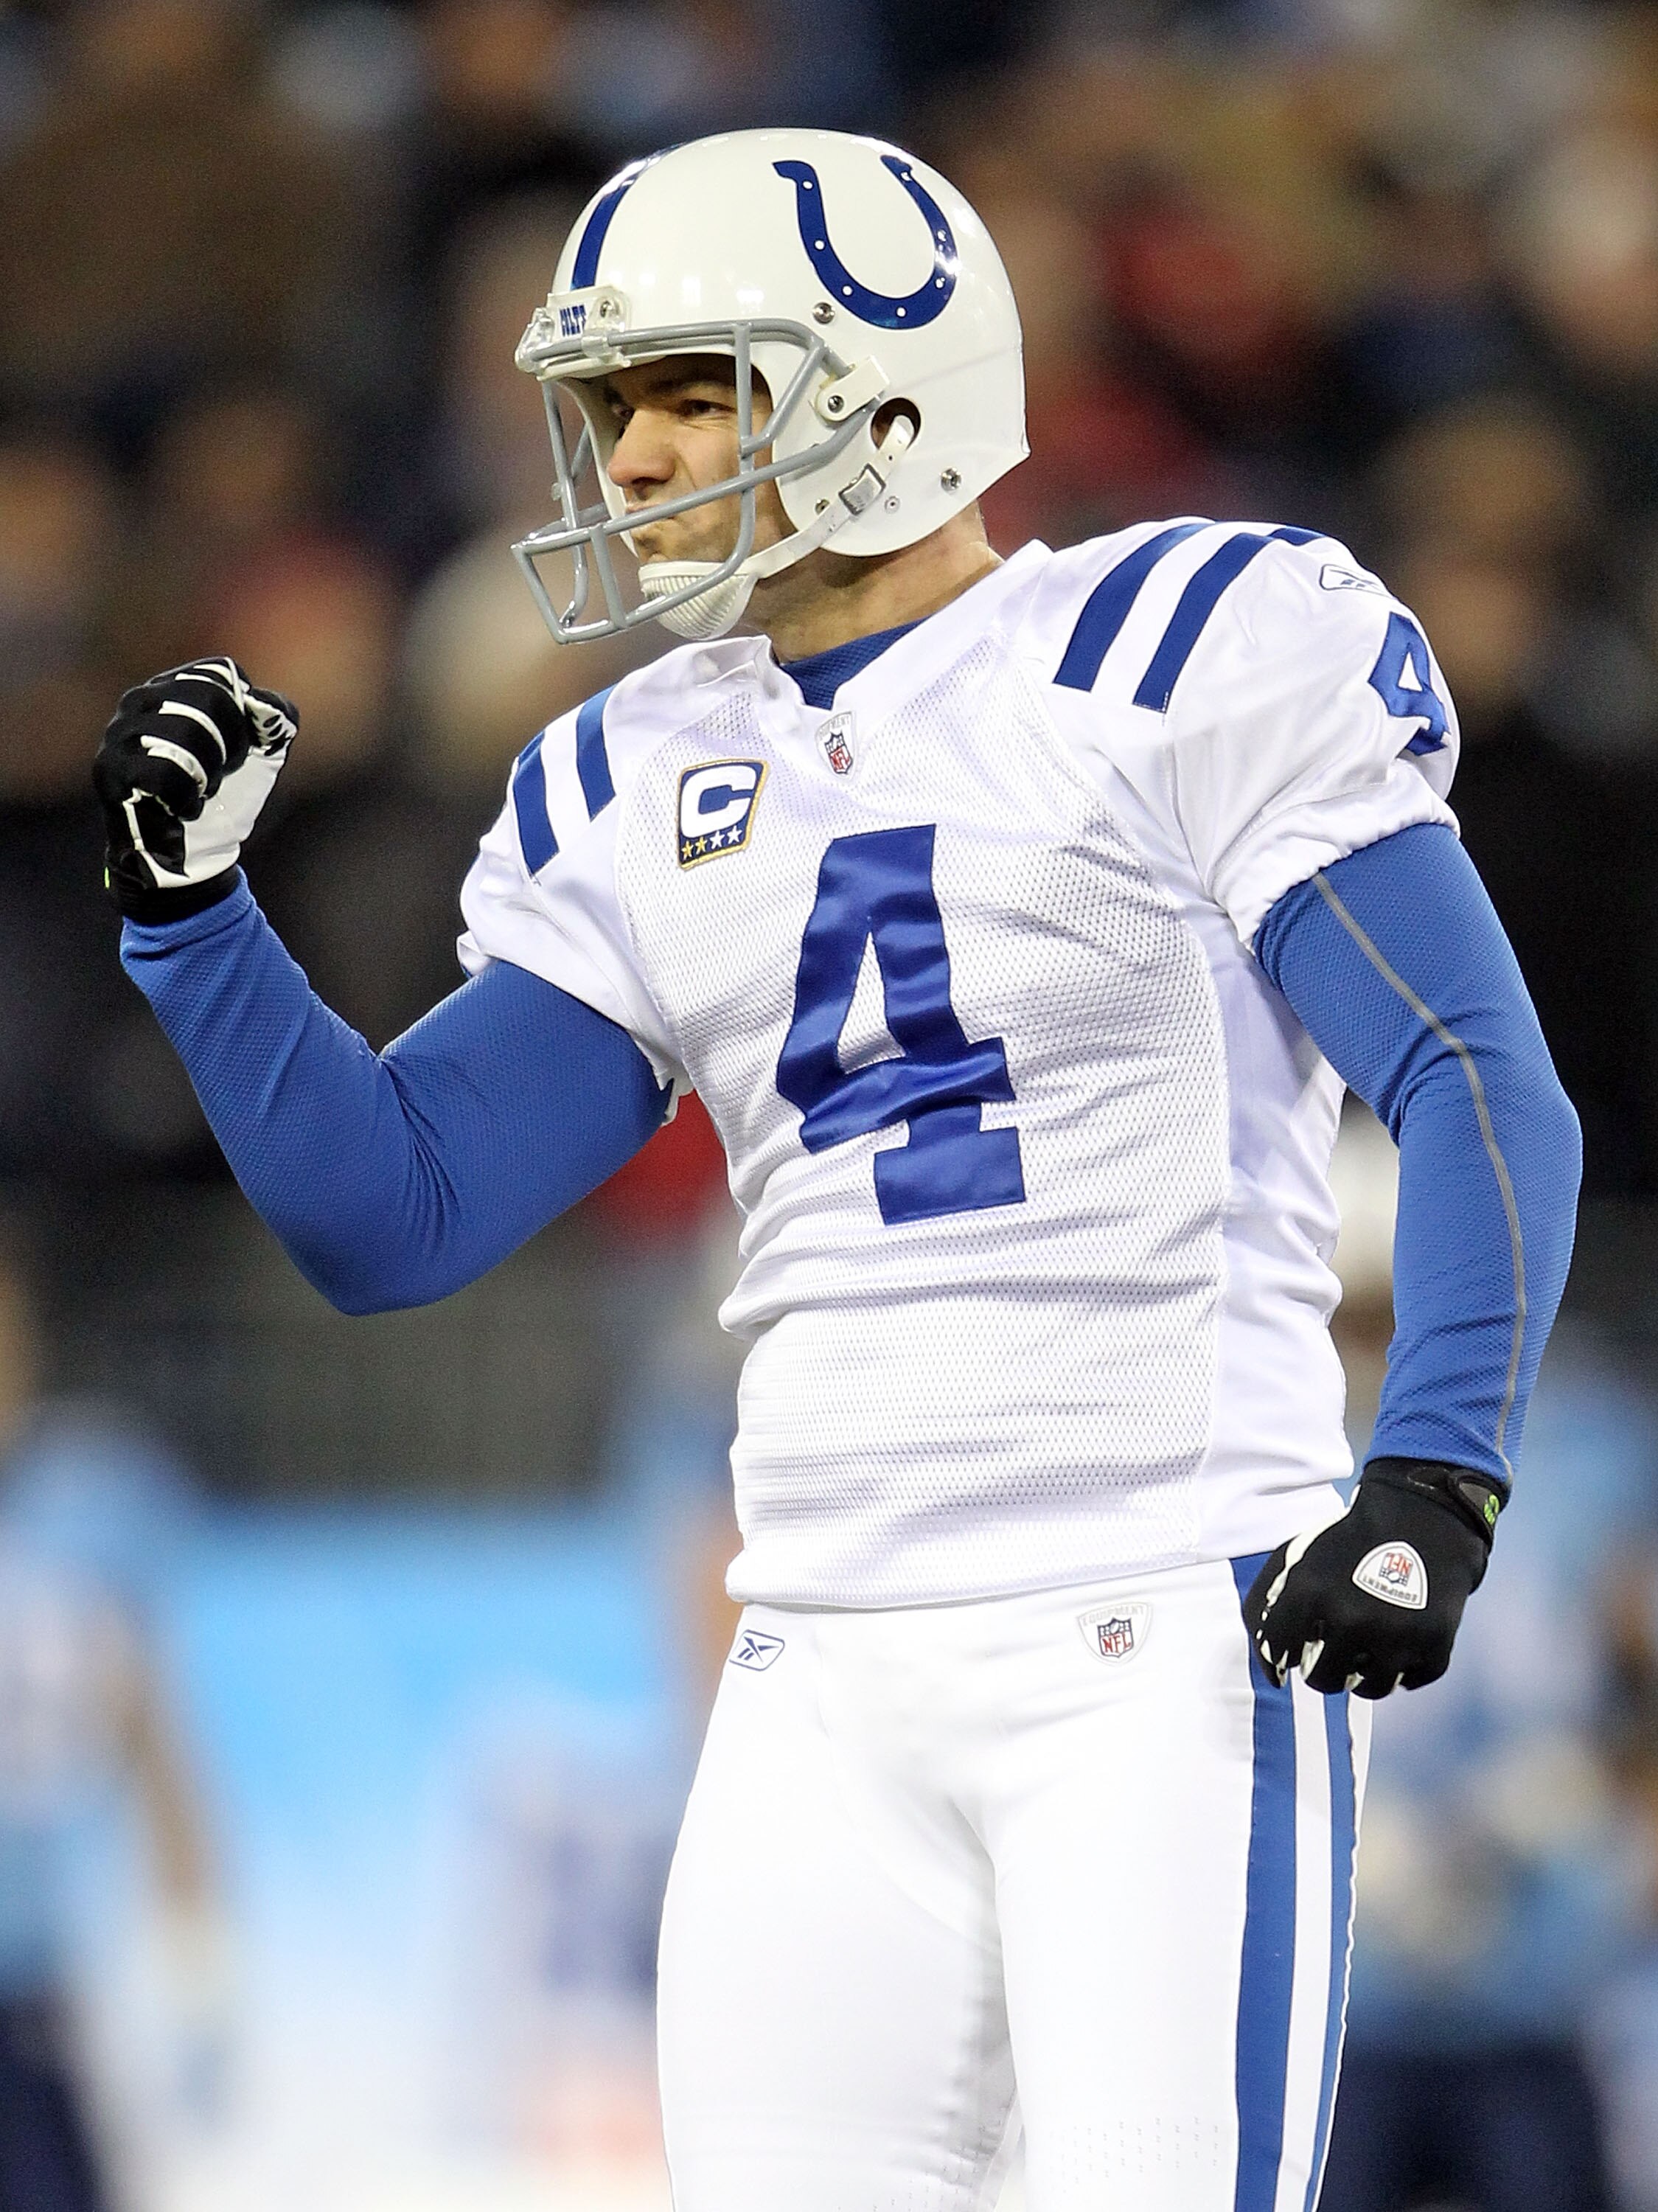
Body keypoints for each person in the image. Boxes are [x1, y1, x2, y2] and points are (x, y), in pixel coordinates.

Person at [90, 130, 1581, 2212]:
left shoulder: (1170, 649)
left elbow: (1472, 1075)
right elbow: (394, 1215)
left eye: (686, 391)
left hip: (1149, 1633)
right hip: (818, 1673)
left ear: (890, 386)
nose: (625, 459)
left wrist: (1430, 1476)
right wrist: (195, 927)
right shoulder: (628, 773)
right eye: (605, 409)